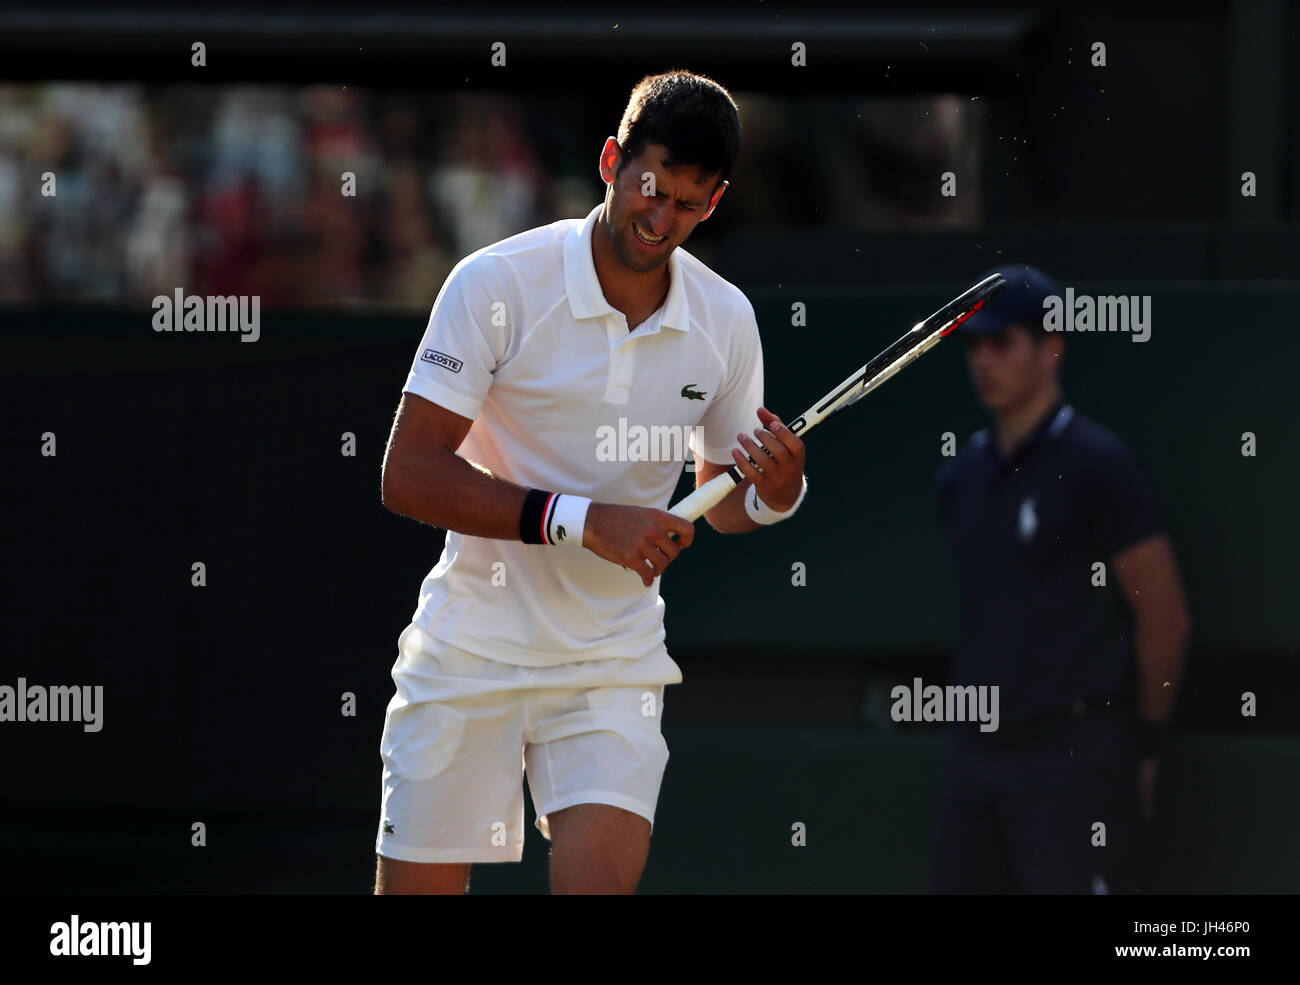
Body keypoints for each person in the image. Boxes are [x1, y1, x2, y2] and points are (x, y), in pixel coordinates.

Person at [373, 71, 808, 895]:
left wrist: (778, 490)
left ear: (712, 203)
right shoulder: (495, 282)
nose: (660, 217)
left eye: (687, 203)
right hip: (470, 646)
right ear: (612, 161)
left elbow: (729, 502)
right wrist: (581, 520)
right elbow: (408, 474)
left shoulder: (727, 320)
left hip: (611, 662)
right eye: (650, 188)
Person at [930, 264, 1191, 894]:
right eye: (975, 345)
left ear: (1052, 347)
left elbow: (1165, 615)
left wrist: (1146, 743)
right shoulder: (961, 474)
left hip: (1073, 756)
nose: (984, 361)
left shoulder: (1099, 465)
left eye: (1003, 342)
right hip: (976, 753)